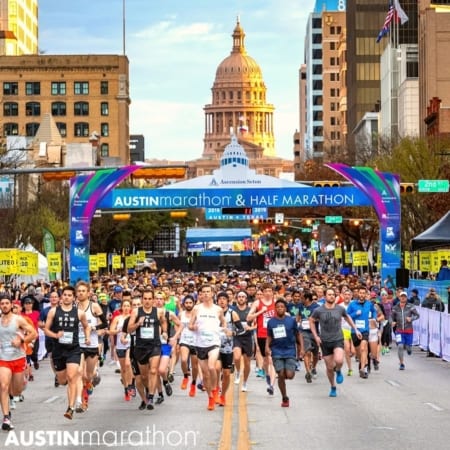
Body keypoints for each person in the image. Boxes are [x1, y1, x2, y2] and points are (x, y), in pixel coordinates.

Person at [43, 285, 91, 420]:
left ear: (73, 297)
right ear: (61, 297)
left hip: (73, 349)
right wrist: (55, 335)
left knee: (72, 377)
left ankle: (71, 408)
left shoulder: (79, 313)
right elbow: (46, 329)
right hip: (58, 350)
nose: (67, 297)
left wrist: (87, 337)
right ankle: (70, 399)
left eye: (70, 295)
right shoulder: (53, 311)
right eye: (65, 295)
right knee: (63, 380)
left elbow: (87, 327)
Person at [309, 288, 362, 397]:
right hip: (325, 341)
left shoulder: (340, 309)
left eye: (333, 294)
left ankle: (338, 370)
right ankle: (333, 386)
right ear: (325, 297)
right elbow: (311, 321)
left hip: (338, 338)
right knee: (329, 367)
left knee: (338, 360)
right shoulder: (319, 310)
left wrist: (355, 329)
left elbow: (347, 317)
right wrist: (316, 336)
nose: (332, 296)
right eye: (329, 294)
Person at [0, 294, 37, 431]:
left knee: (16, 391)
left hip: (18, 358)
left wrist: (21, 341)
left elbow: (33, 333)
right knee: (3, 386)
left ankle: (21, 384)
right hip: (3, 359)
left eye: (6, 303)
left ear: (11, 305)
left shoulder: (18, 320)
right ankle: (6, 417)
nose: (4, 305)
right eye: (2, 303)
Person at [127, 288, 167, 410]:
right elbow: (129, 329)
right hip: (140, 347)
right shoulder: (136, 312)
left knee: (154, 371)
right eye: (145, 299)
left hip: (154, 345)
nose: (147, 301)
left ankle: (150, 396)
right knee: (144, 376)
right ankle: (149, 390)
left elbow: (164, 322)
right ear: (142, 299)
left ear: (153, 300)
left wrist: (164, 331)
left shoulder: (159, 311)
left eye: (150, 299)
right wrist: (138, 324)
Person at [188, 284, 227, 411]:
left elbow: (223, 321)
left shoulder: (218, 309)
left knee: (212, 366)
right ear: (201, 294)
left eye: (208, 291)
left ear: (212, 293)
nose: (205, 294)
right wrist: (193, 327)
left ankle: (216, 390)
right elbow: (190, 325)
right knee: (205, 375)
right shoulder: (196, 309)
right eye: (203, 292)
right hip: (200, 344)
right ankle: (210, 397)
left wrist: (223, 330)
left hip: (214, 342)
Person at [266, 299, 304, 407]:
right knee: (281, 374)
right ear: (275, 308)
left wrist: (301, 348)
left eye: (282, 307)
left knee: (290, 375)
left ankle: (289, 370)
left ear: (285, 308)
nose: (280, 308)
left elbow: (298, 334)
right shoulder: (271, 322)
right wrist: (266, 347)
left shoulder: (291, 321)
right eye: (278, 307)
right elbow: (269, 336)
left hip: (290, 350)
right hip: (277, 350)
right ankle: (284, 397)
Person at [247, 283, 277, 395]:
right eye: (266, 291)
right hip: (262, 335)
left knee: (271, 359)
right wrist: (261, 311)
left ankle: (272, 385)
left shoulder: (276, 302)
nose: (268, 293)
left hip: (275, 334)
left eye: (270, 290)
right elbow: (248, 317)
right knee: (266, 360)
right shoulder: (257, 303)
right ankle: (267, 374)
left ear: (272, 292)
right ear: (262, 292)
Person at [346, 286, 379, 379]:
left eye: (363, 293)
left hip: (365, 330)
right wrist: (355, 313)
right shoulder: (352, 304)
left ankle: (363, 368)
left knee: (364, 347)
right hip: (355, 331)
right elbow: (347, 316)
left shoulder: (369, 304)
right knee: (359, 352)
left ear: (365, 294)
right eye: (360, 293)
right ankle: (362, 363)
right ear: (357, 294)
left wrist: (374, 318)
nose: (362, 295)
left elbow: (374, 312)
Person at [232, 290, 256, 392]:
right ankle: (238, 371)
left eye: (243, 297)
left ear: (246, 299)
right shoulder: (232, 310)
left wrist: (251, 328)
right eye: (239, 296)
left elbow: (256, 323)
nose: (241, 298)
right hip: (237, 337)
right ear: (236, 299)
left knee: (247, 364)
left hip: (248, 338)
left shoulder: (251, 310)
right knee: (236, 357)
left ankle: (245, 382)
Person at [391, 291, 420, 370]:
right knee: (400, 346)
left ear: (406, 298)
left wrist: (411, 318)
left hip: (408, 331)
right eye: (401, 296)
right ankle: (401, 363)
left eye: (404, 296)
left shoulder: (411, 306)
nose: (403, 298)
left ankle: (409, 349)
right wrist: (392, 322)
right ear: (399, 297)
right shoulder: (395, 307)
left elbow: (417, 315)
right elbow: (391, 317)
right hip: (399, 330)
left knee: (408, 348)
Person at [178, 294, 199, 397]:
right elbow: (179, 325)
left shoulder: (197, 314)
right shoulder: (181, 314)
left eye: (190, 303)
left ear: (194, 303)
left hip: (195, 341)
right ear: (183, 304)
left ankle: (194, 383)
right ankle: (185, 376)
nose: (188, 304)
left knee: (195, 366)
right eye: (186, 303)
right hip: (184, 340)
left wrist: (196, 327)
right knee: (183, 360)